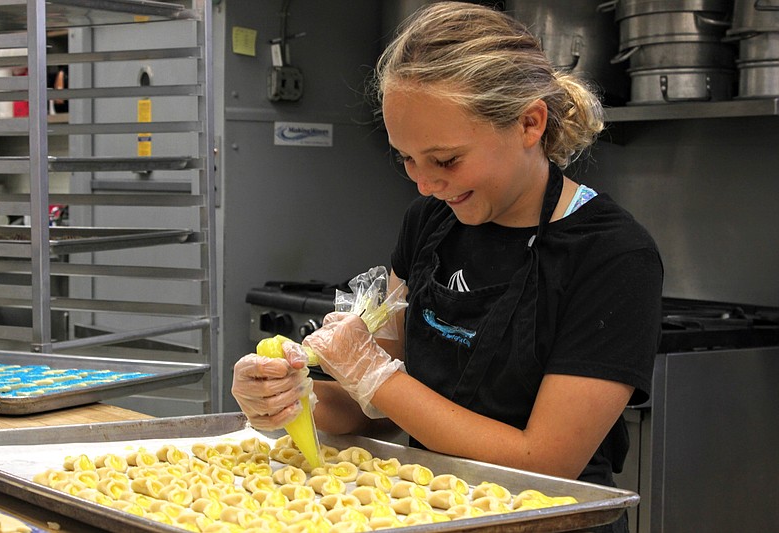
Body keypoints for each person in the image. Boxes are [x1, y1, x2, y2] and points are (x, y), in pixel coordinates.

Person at [232, 3, 663, 531]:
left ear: (530, 122)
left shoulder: (613, 257)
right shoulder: (431, 224)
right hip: (431, 511)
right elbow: (358, 404)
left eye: (446, 159)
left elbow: (545, 464)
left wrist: (375, 375)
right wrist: (292, 397)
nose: (423, 183)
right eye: (406, 158)